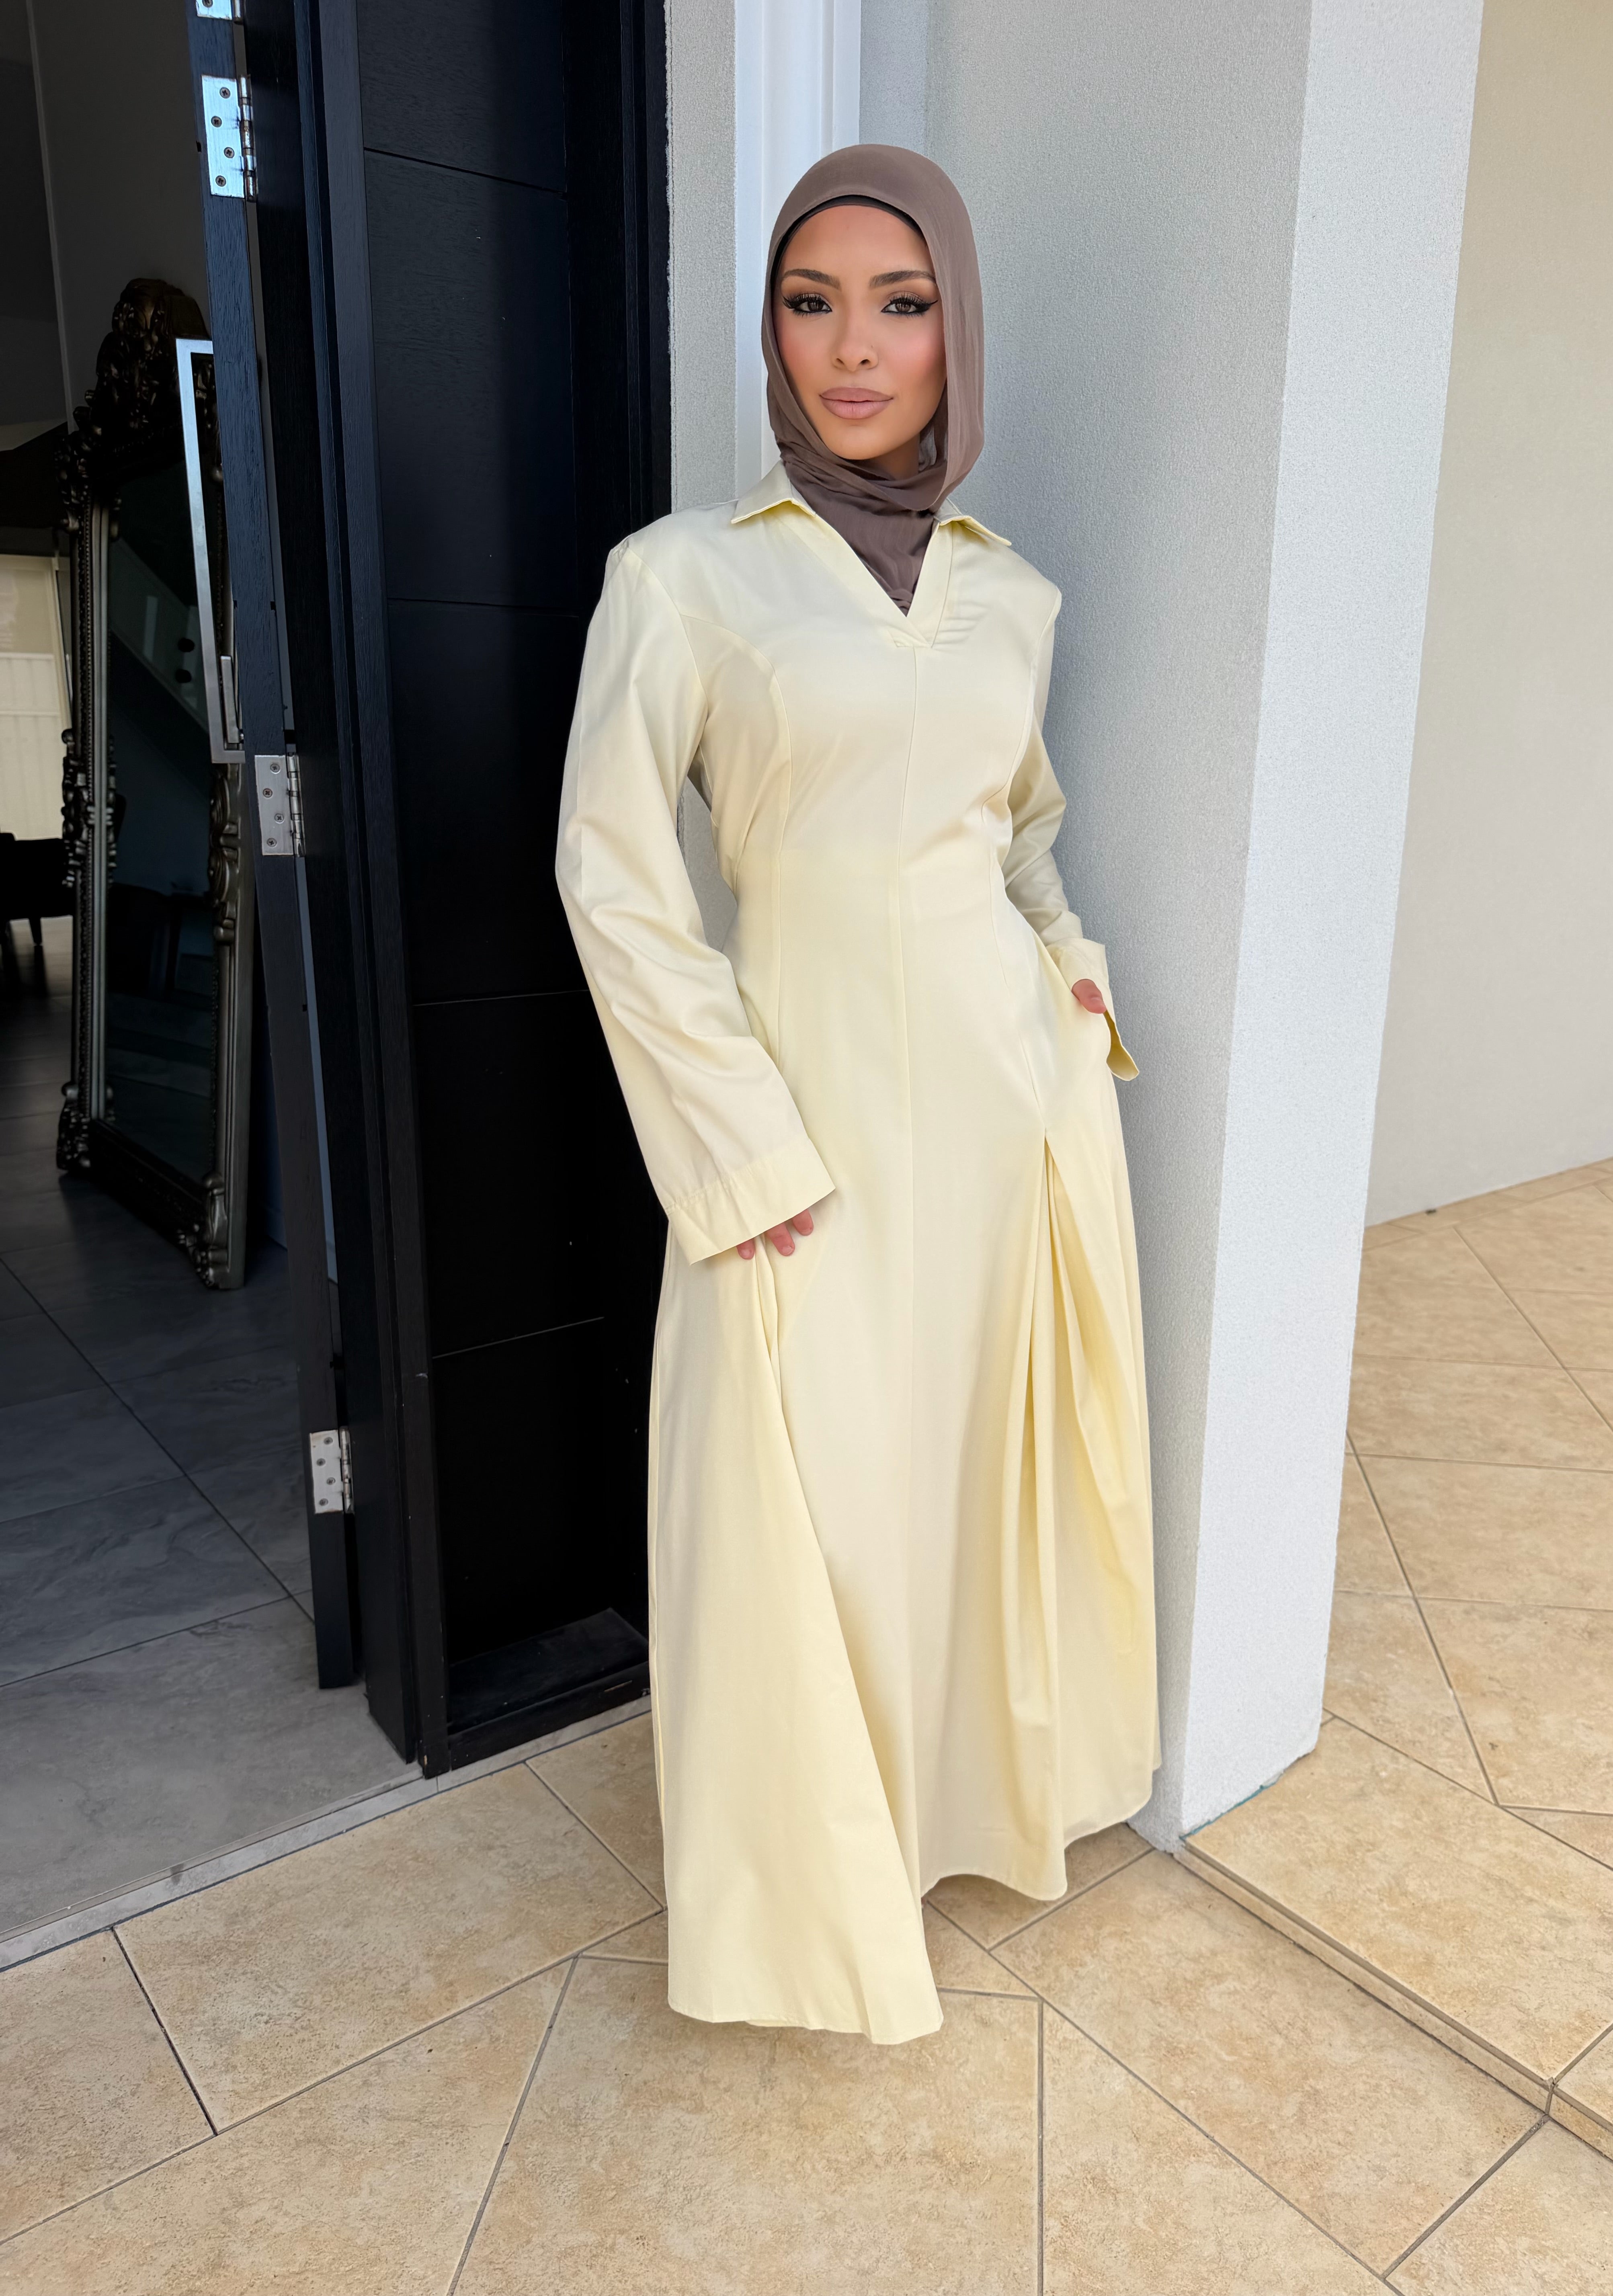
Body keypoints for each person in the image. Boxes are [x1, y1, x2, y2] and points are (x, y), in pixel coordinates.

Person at [556, 145, 1157, 2044]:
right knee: (801, 1496)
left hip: (1003, 1116)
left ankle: (961, 1818)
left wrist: (1073, 980)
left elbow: (1023, 827)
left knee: (962, 1472)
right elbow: (611, 875)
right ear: (772, 333)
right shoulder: (683, 578)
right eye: (810, 304)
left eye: (901, 305)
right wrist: (735, 1149)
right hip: (794, 1126)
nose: (854, 348)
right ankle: (813, 1900)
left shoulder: (1012, 595)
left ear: (956, 331)